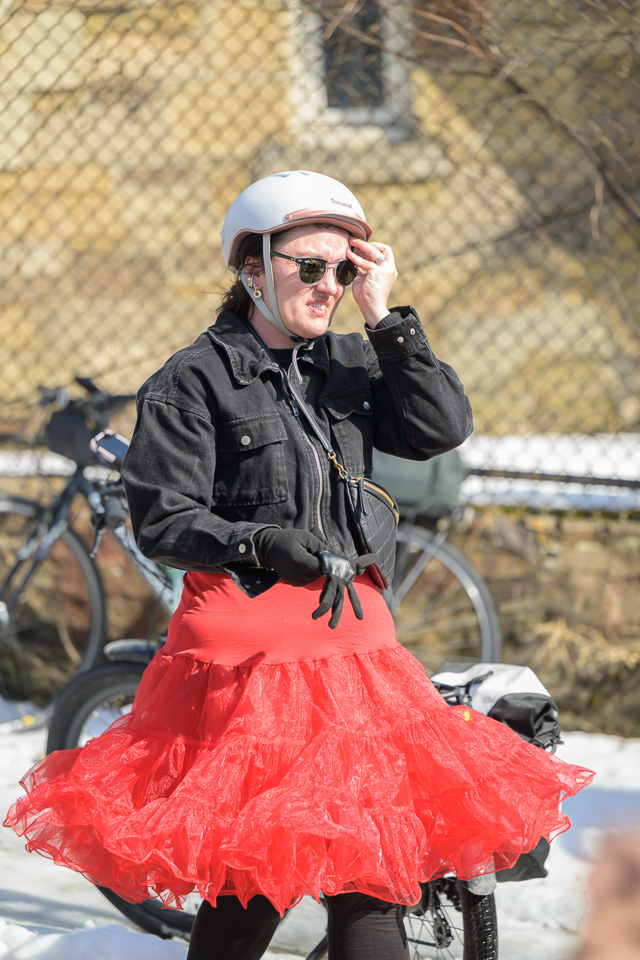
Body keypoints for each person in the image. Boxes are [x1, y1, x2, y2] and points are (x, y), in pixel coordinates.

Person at [5, 170, 593, 960]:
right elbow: (163, 520)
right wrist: (257, 543)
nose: (328, 285)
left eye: (343, 269)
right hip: (252, 663)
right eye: (309, 266)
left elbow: (440, 426)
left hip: (357, 654)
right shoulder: (192, 380)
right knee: (251, 891)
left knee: (370, 880)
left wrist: (383, 316)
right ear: (253, 268)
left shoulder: (350, 362)